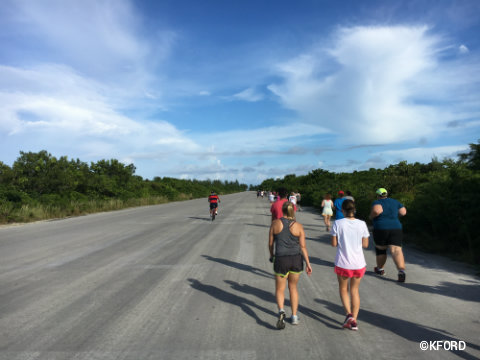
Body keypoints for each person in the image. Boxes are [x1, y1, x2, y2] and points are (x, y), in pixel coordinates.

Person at [269, 201, 312, 329]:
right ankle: (294, 316)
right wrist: (308, 264)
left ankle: (281, 311)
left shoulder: (275, 223)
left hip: (281, 259)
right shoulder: (298, 226)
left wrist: (272, 256)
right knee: (293, 288)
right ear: (293, 210)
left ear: (282, 210)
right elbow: (303, 247)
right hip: (296, 260)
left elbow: (271, 243)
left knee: (280, 289)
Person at [331, 199, 369, 331]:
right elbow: (365, 245)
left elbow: (334, 244)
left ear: (342, 210)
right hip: (358, 263)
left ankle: (348, 315)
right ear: (354, 210)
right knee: (355, 291)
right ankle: (354, 320)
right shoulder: (362, 224)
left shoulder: (337, 223)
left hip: (343, 262)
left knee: (343, 290)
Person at [369, 188, 407, 282]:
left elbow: (377, 211)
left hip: (381, 228)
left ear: (378, 195)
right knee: (396, 250)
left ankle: (380, 269)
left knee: (381, 249)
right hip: (396, 228)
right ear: (386, 194)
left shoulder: (377, 202)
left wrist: (371, 217)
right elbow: (403, 212)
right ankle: (401, 271)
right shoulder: (395, 201)